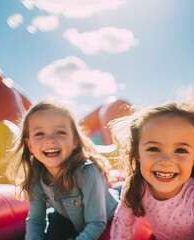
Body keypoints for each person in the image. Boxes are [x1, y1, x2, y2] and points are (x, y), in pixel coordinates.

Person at [108, 94, 194, 240]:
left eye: (181, 150)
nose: (166, 161)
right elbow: (121, 229)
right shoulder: (135, 187)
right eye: (153, 149)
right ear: (137, 154)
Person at [10, 100, 119, 240]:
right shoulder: (36, 178)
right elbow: (36, 220)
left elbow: (96, 222)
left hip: (105, 216)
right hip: (67, 218)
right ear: (29, 144)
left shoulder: (87, 172)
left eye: (60, 132)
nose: (50, 139)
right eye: (39, 133)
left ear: (74, 141)